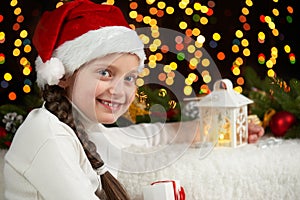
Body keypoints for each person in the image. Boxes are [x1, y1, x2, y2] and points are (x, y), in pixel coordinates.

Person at [3, 0, 265, 199]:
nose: (119, 90)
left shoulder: (84, 129)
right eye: (105, 73)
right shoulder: (47, 134)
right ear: (63, 76)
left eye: (129, 78)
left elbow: (145, 135)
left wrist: (214, 129)